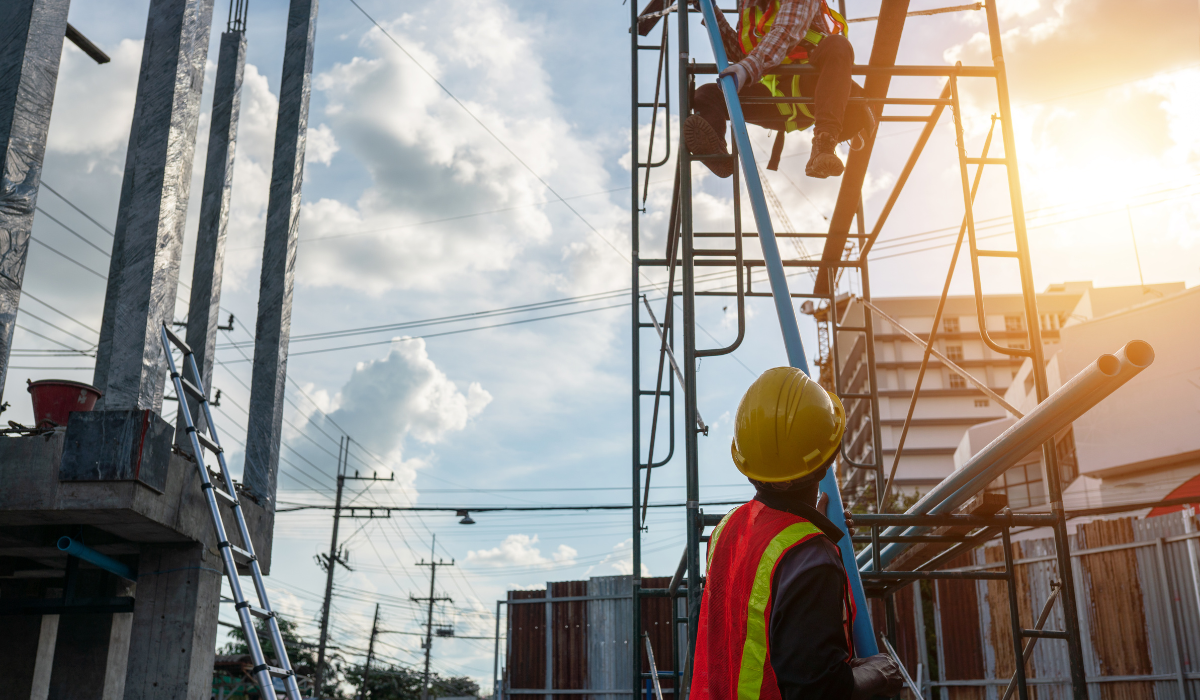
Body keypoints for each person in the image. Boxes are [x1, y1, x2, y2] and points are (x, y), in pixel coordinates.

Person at [689, 367, 904, 700]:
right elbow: (818, 691)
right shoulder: (812, 560)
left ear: (748, 467)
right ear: (827, 459)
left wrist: (808, 528)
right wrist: (878, 674)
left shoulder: (726, 530)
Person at [684, 0, 876, 179]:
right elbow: (740, 53)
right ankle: (717, 154)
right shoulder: (749, 6)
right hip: (774, 95)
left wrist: (746, 69)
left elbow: (787, 31)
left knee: (838, 45)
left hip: (815, 89)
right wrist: (710, 10)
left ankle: (825, 143)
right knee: (708, 95)